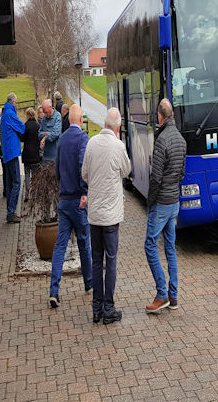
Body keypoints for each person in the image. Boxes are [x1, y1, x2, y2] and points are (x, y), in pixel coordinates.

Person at [81, 107, 131, 324]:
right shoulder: (118, 146)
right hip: (111, 216)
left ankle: (96, 309)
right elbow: (127, 171)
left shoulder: (91, 143)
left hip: (94, 215)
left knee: (96, 261)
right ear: (118, 127)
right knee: (110, 261)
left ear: (104, 124)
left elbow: (84, 174)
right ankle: (109, 308)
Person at [144, 99, 186, 313]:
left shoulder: (162, 140)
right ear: (172, 115)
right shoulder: (180, 139)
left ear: (160, 116)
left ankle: (162, 294)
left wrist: (150, 201)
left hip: (161, 202)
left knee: (150, 245)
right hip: (174, 201)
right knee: (170, 248)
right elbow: (181, 173)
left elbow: (156, 177)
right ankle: (174, 295)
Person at [49, 104, 93, 308]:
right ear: (81, 120)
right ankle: (89, 283)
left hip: (64, 200)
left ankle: (54, 291)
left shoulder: (62, 139)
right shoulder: (83, 138)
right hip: (78, 200)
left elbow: (58, 170)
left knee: (60, 245)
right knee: (84, 242)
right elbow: (83, 165)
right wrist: (84, 191)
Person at [1, 92, 26, 223]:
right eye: (16, 102)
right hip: (12, 152)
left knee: (10, 183)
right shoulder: (10, 114)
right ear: (13, 102)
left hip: (7, 152)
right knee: (17, 182)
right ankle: (11, 212)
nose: (17, 104)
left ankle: (10, 212)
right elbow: (22, 127)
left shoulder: (5, 113)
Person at [21, 107, 41, 205]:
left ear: (27, 115)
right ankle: (35, 194)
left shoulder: (25, 125)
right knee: (35, 175)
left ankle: (27, 193)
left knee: (27, 174)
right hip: (36, 154)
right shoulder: (38, 125)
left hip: (27, 154)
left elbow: (22, 138)